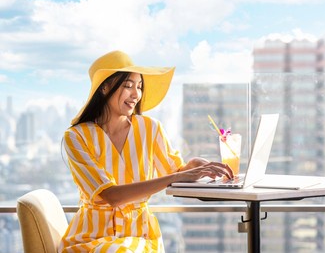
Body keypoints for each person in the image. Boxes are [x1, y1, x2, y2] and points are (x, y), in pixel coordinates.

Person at [59, 50, 233, 252]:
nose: (136, 94)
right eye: (128, 86)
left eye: (139, 87)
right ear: (105, 87)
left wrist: (194, 165)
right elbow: (111, 196)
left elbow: (175, 173)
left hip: (139, 235)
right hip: (90, 238)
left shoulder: (151, 128)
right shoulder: (76, 137)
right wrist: (180, 176)